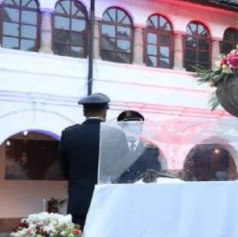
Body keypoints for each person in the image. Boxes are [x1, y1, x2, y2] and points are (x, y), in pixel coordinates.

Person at [59, 93, 128, 228]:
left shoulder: (69, 134)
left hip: (79, 200)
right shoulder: (117, 135)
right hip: (109, 200)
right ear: (104, 111)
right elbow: (123, 169)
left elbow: (64, 169)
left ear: (84, 111)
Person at [116, 110, 162, 183]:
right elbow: (108, 172)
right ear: (122, 129)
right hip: (118, 189)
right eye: (127, 126)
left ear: (140, 128)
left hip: (141, 190)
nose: (131, 129)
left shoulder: (151, 150)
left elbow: (155, 173)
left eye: (135, 125)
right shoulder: (113, 148)